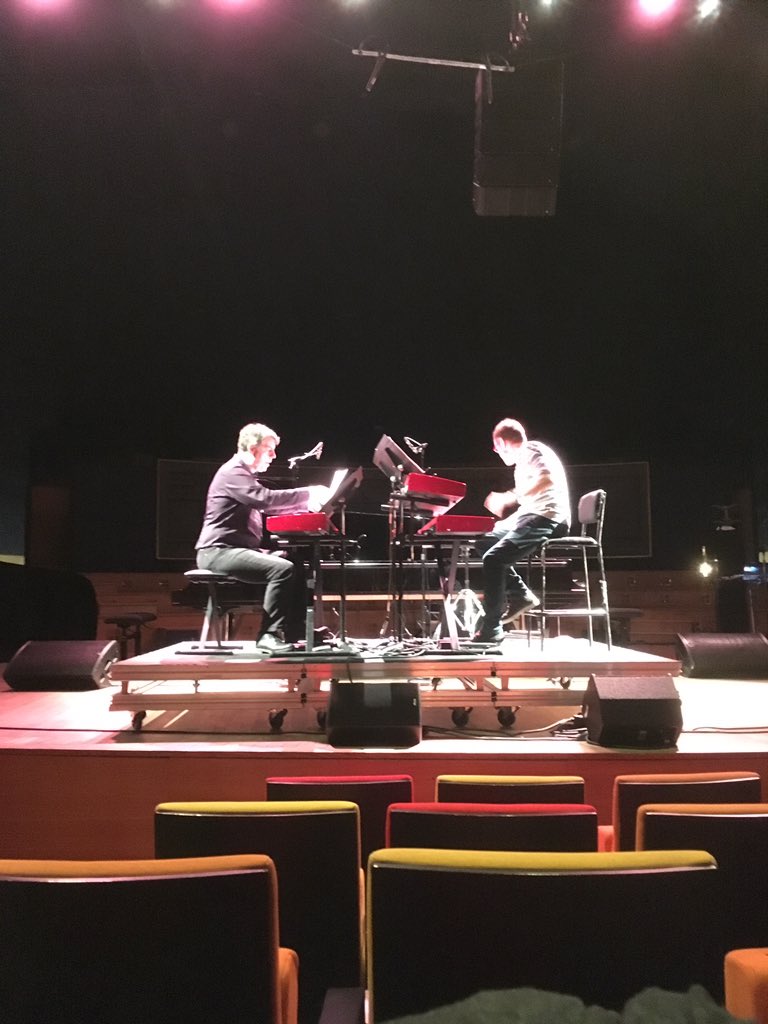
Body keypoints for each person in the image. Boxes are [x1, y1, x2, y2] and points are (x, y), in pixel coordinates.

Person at [195, 422, 330, 653]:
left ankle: (295, 630)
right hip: (217, 552)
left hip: (234, 550)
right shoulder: (233, 472)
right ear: (252, 447)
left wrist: (307, 507)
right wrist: (308, 493)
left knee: (294, 563)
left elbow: (268, 506)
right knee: (281, 569)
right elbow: (263, 499)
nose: (274, 455)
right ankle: (268, 635)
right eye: (269, 449)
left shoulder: (243, 475)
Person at [474, 418, 571, 645]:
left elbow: (546, 479)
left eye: (495, 448)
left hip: (548, 516)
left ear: (501, 443)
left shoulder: (533, 450)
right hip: (530, 514)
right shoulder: (524, 459)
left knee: (495, 559)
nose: (496, 453)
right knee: (483, 540)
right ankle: (519, 594)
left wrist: (510, 496)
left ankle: (492, 628)